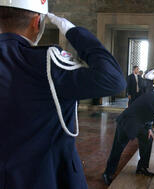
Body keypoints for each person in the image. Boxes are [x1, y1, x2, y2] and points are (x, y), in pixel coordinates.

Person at [0, 1, 126, 188]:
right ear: (37, 22)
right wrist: (75, 32)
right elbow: (113, 79)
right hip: (48, 177)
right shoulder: (46, 64)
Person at [102, 87, 154, 185]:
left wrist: (148, 128)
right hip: (127, 123)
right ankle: (107, 173)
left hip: (139, 123)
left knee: (148, 140)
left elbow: (148, 112)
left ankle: (142, 167)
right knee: (118, 149)